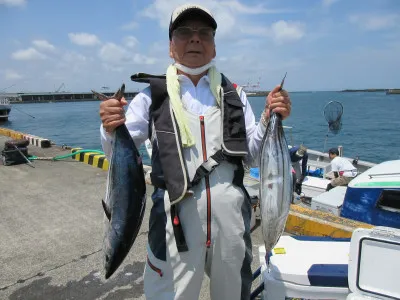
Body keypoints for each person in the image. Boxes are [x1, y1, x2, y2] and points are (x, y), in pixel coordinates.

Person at [99, 4, 292, 300]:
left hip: (231, 228)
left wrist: (268, 116)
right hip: (172, 227)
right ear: (171, 46)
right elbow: (119, 157)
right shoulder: (150, 97)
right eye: (184, 32)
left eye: (204, 33)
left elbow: (253, 154)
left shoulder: (234, 95)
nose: (195, 39)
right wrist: (110, 126)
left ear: (214, 47)